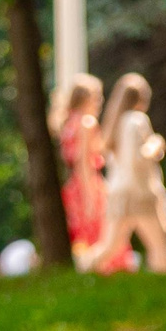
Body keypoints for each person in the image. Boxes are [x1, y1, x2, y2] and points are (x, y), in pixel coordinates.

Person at [95, 72, 166, 275]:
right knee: (160, 250)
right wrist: (156, 144)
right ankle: (164, 289)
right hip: (140, 194)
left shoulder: (114, 124)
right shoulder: (136, 120)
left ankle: (81, 270)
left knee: (109, 247)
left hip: (118, 193)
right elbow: (139, 158)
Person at [51, 74, 107, 267]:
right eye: (97, 96)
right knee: (95, 231)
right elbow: (84, 163)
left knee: (79, 237)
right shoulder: (86, 123)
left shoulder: (69, 123)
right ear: (87, 98)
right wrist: (90, 198)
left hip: (72, 187)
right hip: (88, 184)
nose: (100, 102)